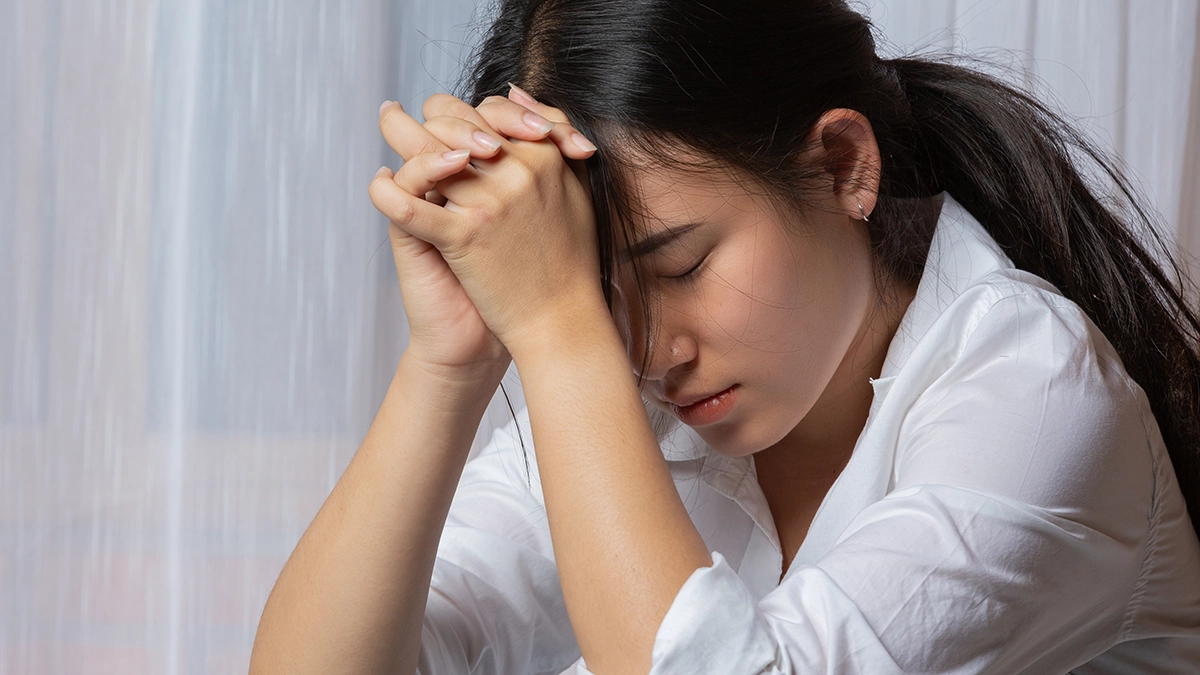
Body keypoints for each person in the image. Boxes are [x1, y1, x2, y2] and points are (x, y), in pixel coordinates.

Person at [249, 0, 1200, 673]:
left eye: (679, 266)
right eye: (596, 291)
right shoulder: (612, 389)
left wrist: (559, 326)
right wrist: (447, 361)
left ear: (842, 166)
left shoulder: (1037, 389)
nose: (647, 350)